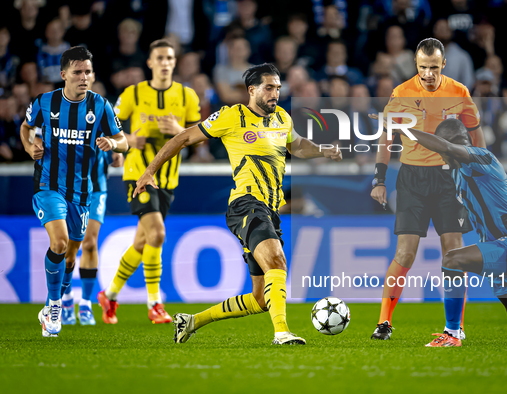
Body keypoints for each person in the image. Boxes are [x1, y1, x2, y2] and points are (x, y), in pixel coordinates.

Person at [132, 63, 342, 345]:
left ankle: (192, 321)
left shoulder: (282, 118)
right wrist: (150, 170)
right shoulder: (232, 116)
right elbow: (183, 138)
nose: (275, 94)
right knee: (277, 262)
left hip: (271, 210)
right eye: (269, 87)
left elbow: (297, 145)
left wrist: (323, 150)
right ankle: (282, 333)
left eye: (278, 88)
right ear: (252, 90)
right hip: (245, 204)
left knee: (260, 298)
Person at [390, 117, 507, 347]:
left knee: (452, 260)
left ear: (459, 144)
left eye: (447, 146)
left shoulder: (482, 157)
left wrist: (402, 129)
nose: (443, 152)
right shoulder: (458, 174)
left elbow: (447, 147)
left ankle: (452, 333)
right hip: (503, 244)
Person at [370, 38, 486, 341]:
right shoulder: (401, 94)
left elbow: (477, 137)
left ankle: (454, 328)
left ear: (443, 65)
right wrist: (379, 180)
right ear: (416, 65)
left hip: (450, 180)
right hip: (412, 180)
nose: (429, 74)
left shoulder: (459, 92)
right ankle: (384, 322)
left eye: (434, 67)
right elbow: (386, 140)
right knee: (405, 253)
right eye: (423, 68)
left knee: (454, 253)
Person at [19, 46, 128, 337]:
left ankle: (57, 302)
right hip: (48, 186)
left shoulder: (100, 106)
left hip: (83, 193)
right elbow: (26, 128)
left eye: (88, 72)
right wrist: (31, 146)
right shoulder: (45, 102)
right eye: (78, 72)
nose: (84, 77)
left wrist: (114, 145)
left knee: (70, 256)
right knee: (59, 243)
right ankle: (54, 306)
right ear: (63, 74)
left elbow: (123, 140)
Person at [97, 39, 201, 325]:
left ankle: (111, 295)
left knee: (143, 243)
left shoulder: (187, 96)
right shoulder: (133, 94)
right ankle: (155, 303)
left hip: (169, 178)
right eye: (160, 58)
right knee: (157, 234)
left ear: (174, 62)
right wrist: (130, 140)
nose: (166, 62)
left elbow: (199, 136)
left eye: (170, 58)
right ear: (150, 62)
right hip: (138, 175)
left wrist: (181, 130)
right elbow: (110, 129)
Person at [61, 73, 125, 326]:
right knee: (67, 246)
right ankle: (65, 298)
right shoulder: (64, 116)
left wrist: (116, 154)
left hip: (96, 189)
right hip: (65, 188)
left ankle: (85, 303)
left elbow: (118, 145)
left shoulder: (104, 115)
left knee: (89, 242)